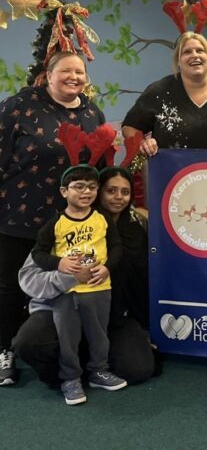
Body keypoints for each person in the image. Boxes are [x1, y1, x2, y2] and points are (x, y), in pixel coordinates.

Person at [0, 51, 106, 386]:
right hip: (18, 215)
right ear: (48, 74)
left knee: (59, 286)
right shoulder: (19, 106)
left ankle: (57, 349)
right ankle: (5, 351)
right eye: (66, 71)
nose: (73, 77)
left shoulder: (91, 112)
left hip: (68, 224)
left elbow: (96, 166)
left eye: (80, 71)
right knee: (9, 289)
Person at [14, 167, 157, 388]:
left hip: (111, 313)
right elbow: (29, 276)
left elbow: (144, 280)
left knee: (137, 368)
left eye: (125, 191)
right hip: (62, 307)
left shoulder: (136, 228)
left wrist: (145, 328)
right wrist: (68, 276)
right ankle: (69, 374)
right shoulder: (62, 224)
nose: (118, 197)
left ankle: (93, 364)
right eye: (111, 190)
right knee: (31, 343)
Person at [31, 165, 127, 404]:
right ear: (64, 191)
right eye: (79, 187)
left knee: (98, 334)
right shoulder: (55, 223)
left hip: (98, 288)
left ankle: (98, 371)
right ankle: (71, 378)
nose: (87, 192)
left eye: (92, 187)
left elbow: (116, 247)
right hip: (66, 292)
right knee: (68, 337)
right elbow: (37, 254)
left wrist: (107, 268)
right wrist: (59, 262)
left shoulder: (102, 218)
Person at [122, 32, 207, 157]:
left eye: (200, 50)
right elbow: (129, 127)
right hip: (171, 173)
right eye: (187, 52)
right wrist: (143, 143)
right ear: (178, 60)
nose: (195, 55)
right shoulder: (158, 91)